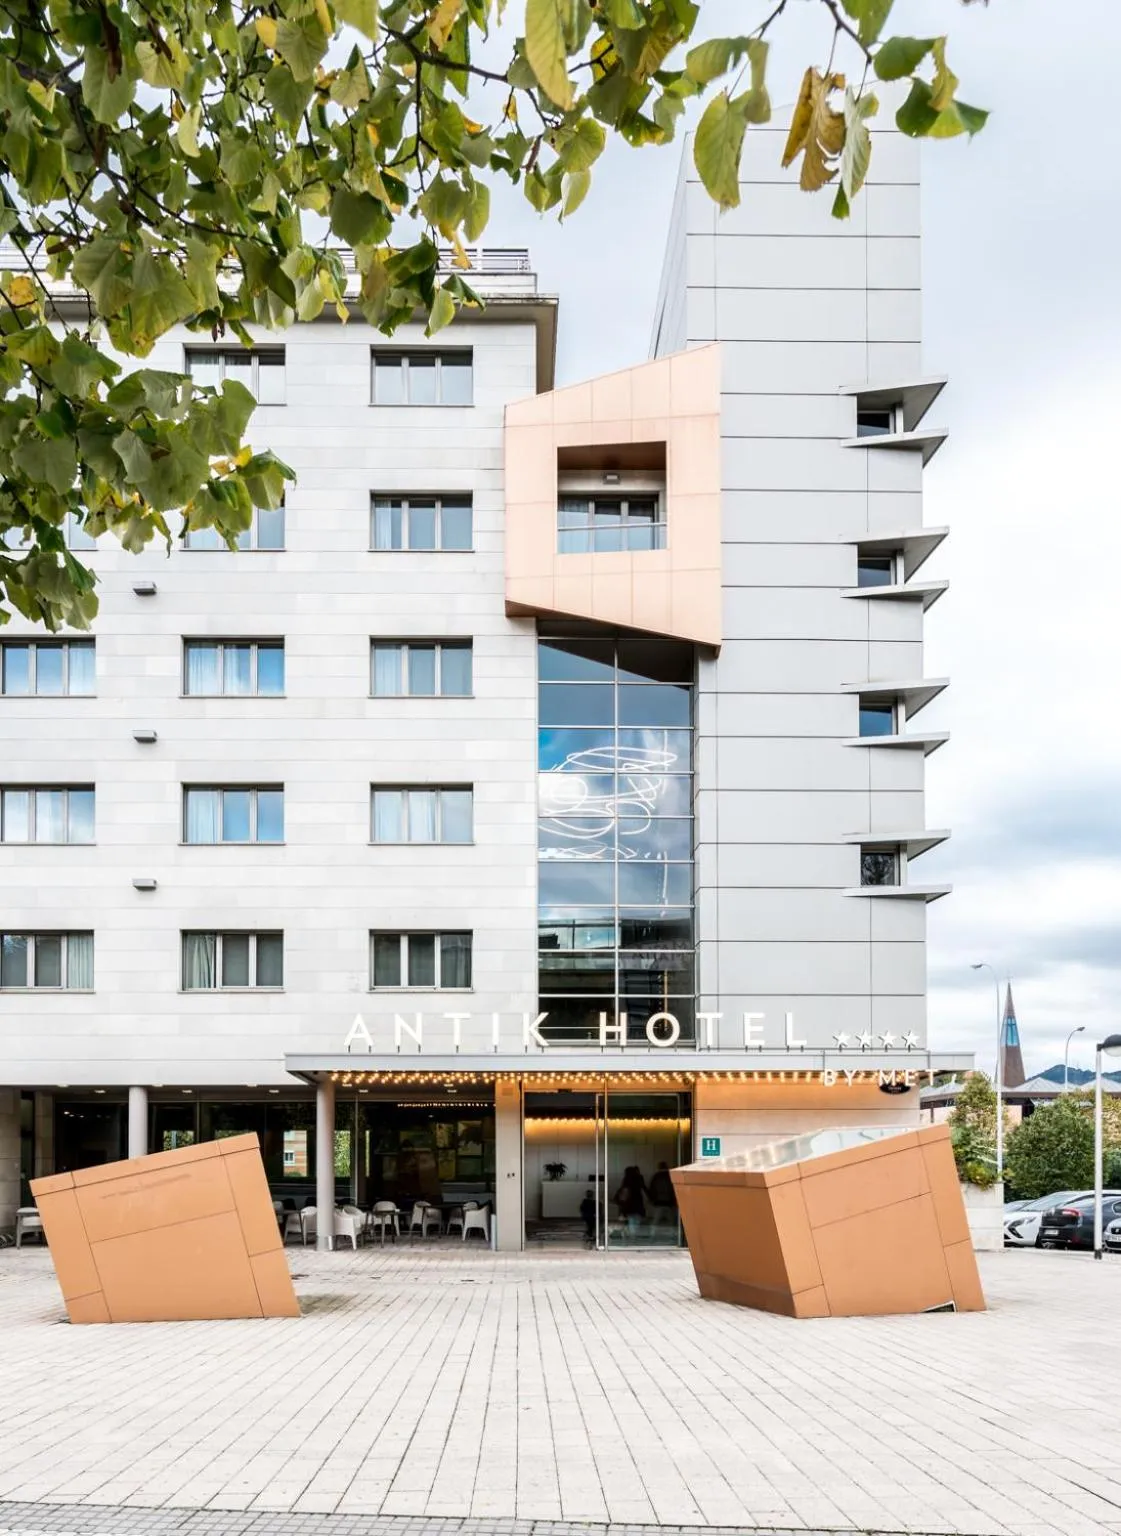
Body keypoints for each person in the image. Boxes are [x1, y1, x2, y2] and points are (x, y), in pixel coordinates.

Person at [613, 1165, 648, 1238]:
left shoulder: (626, 1180)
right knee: (635, 1221)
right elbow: (643, 1188)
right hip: (637, 1203)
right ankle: (633, 1235)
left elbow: (623, 1191)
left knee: (631, 1220)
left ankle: (631, 1236)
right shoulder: (638, 1179)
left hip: (629, 1205)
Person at [648, 1161, 676, 1226]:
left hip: (659, 1201)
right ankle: (673, 1234)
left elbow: (652, 1189)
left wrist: (652, 1200)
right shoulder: (670, 1175)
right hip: (669, 1201)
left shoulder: (656, 1176)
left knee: (656, 1220)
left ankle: (652, 1233)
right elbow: (673, 1189)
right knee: (671, 1220)